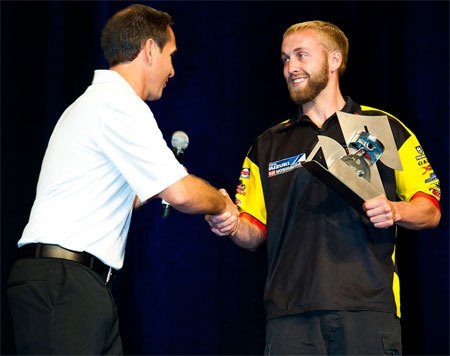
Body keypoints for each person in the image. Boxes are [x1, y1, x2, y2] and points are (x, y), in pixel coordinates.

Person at [7, 4, 238, 355]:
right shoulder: (117, 104)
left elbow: (124, 196)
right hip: (64, 285)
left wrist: (160, 184)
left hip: (78, 286)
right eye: (170, 56)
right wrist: (221, 203)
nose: (173, 70)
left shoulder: (99, 104)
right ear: (149, 50)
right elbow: (179, 193)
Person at [206, 20, 441, 355]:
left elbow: (430, 209)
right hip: (289, 317)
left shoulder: (383, 127)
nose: (291, 67)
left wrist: (395, 209)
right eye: (285, 59)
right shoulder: (268, 144)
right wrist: (229, 221)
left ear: (334, 60)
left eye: (301, 55)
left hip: (368, 311)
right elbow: (253, 231)